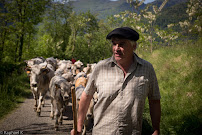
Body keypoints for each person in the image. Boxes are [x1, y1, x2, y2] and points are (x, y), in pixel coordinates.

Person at [71, 27, 161, 135]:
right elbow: (86, 96)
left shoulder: (147, 69)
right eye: (114, 44)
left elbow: (154, 100)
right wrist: (79, 126)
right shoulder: (101, 68)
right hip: (102, 132)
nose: (116, 48)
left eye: (122, 44)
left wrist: (156, 129)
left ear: (134, 46)